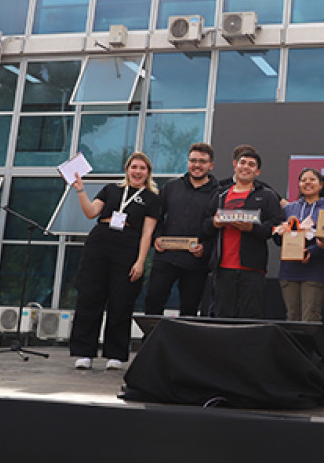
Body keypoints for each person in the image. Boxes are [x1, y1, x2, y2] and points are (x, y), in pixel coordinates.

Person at [69, 152, 160, 371]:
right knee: (89, 297)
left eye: (142, 168)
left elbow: (147, 234)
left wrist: (140, 262)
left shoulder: (152, 198)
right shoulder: (111, 189)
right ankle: (84, 352)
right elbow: (91, 212)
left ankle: (116, 354)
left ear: (148, 172)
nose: (137, 171)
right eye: (133, 167)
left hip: (128, 245)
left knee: (122, 300)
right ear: (127, 169)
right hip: (100, 241)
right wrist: (80, 189)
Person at [201, 147, 284, 318]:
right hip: (223, 268)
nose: (246, 167)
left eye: (251, 165)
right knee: (222, 316)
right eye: (242, 163)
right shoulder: (220, 194)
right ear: (235, 165)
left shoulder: (267, 196)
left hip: (252, 268)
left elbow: (275, 228)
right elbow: (205, 225)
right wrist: (215, 223)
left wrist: (252, 228)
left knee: (249, 316)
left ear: (258, 171)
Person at [144, 142, 218, 317]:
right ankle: (152, 343)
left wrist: (206, 248)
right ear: (188, 162)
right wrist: (157, 237)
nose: (197, 165)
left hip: (196, 262)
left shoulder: (219, 193)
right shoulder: (171, 187)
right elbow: (157, 216)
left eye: (202, 161)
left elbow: (218, 228)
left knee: (189, 309)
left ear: (211, 165)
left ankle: (183, 345)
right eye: (193, 160)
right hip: (166, 257)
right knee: (153, 301)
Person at [272, 168, 324, 322]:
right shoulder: (288, 209)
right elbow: (278, 241)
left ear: (321, 185)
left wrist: (312, 252)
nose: (307, 183)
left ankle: (309, 347)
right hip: (289, 271)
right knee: (291, 317)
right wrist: (281, 232)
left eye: (312, 179)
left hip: (314, 271)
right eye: (303, 180)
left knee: (310, 318)